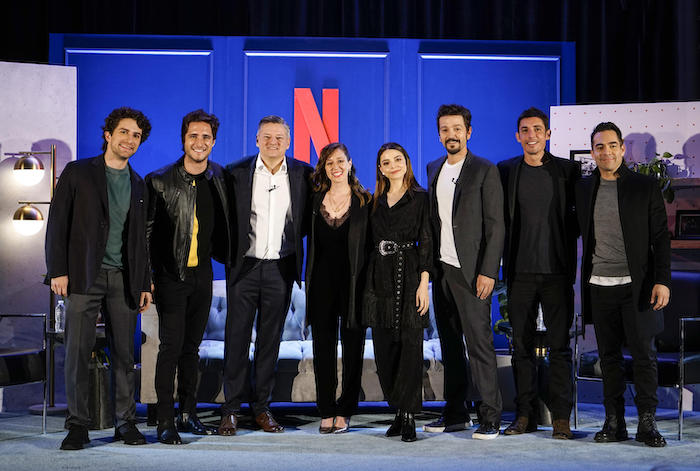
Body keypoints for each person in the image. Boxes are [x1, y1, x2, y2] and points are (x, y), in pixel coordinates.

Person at [45, 107, 153, 450]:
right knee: (77, 352)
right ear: (108, 134)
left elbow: (141, 240)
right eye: (124, 132)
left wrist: (144, 283)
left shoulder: (138, 183)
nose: (130, 140)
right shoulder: (78, 173)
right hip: (83, 276)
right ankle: (78, 425)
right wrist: (57, 270)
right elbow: (57, 223)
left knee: (124, 354)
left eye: (136, 136)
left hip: (124, 278)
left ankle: (125, 422)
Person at [575, 122, 670, 448]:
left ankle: (647, 422)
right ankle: (613, 422)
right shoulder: (583, 188)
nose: (607, 152)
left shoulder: (645, 186)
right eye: (600, 147)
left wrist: (662, 281)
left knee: (644, 356)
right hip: (599, 286)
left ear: (622, 149)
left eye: (612, 145)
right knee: (609, 358)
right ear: (593, 152)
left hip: (638, 287)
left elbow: (661, 238)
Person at [219, 115, 313, 435]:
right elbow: (223, 220)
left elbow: (308, 221)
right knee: (236, 340)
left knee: (269, 342)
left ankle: (261, 408)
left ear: (289, 142)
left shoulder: (303, 174)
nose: (273, 143)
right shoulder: (235, 173)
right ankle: (231, 410)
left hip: (280, 269)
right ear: (257, 140)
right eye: (267, 137)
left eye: (279, 138)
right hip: (244, 269)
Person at [146, 109, 230, 444]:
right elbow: (146, 235)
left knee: (192, 350)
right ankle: (165, 420)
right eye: (193, 135)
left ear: (214, 142)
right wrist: (148, 278)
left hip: (203, 275)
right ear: (183, 139)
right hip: (171, 276)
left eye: (206, 137)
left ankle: (188, 414)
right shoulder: (159, 180)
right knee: (171, 348)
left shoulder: (220, 177)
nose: (200, 142)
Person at [497, 107, 581, 439]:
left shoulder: (568, 171)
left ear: (547, 134)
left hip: (557, 272)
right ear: (517, 136)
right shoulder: (506, 171)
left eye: (536, 129)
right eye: (525, 130)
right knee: (521, 347)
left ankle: (560, 418)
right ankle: (524, 415)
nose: (531, 135)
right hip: (519, 272)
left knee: (560, 348)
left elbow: (578, 220)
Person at [424, 104, 505, 439]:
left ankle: (491, 416)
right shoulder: (433, 168)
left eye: (457, 128)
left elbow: (496, 225)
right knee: (450, 346)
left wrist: (488, 271)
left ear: (468, 132)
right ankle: (456, 412)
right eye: (445, 129)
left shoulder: (485, 169)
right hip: (442, 270)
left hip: (472, 273)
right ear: (439, 134)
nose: (451, 135)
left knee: (479, 345)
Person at [363, 142, 432, 442]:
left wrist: (424, 283)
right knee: (385, 349)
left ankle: (410, 415)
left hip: (410, 272)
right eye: (386, 162)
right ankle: (398, 411)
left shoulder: (420, 198)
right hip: (379, 277)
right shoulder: (373, 202)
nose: (393, 166)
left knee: (410, 348)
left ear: (407, 162)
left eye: (398, 159)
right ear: (380, 169)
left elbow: (427, 240)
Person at [306, 142, 371, 434]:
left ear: (350, 163)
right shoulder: (314, 201)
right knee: (323, 347)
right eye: (330, 162)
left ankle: (345, 410)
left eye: (340, 161)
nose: (336, 167)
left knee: (354, 347)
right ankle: (326, 409)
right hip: (321, 284)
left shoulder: (364, 201)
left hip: (355, 284)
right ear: (324, 167)